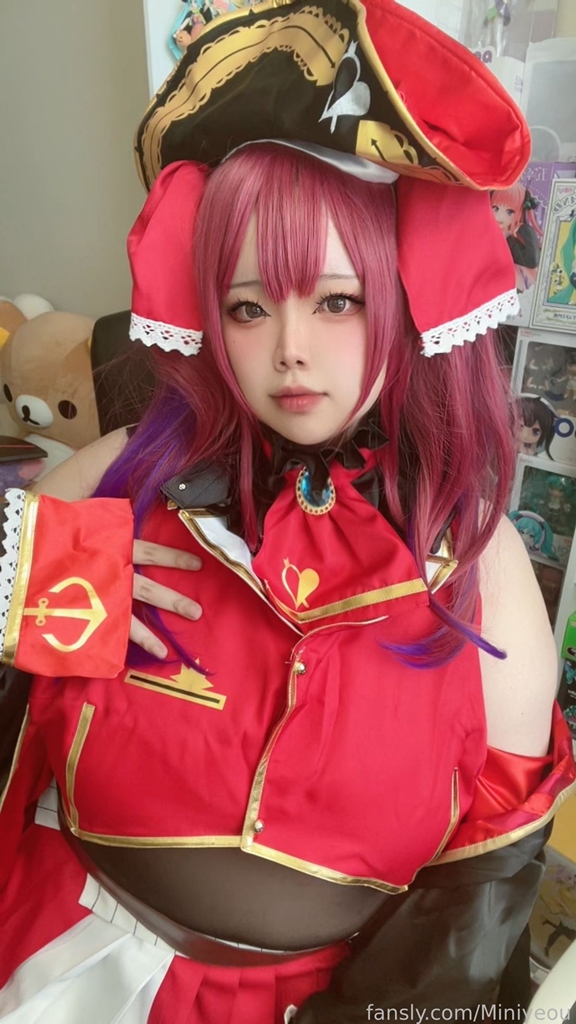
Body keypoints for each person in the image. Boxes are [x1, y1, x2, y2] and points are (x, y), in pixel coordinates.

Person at [1, 0, 575, 1021]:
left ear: (406, 296)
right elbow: (21, 622)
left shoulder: (469, 556)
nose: (289, 350)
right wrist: (33, 588)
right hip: (67, 955)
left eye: (336, 300)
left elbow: (483, 879)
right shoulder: (140, 468)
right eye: (249, 306)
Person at [491, 183, 542, 292]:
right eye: (495, 208)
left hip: (506, 283)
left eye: (509, 212)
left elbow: (531, 260)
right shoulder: (483, 232)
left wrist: (511, 237)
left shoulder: (514, 235)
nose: (499, 216)